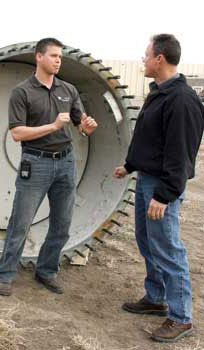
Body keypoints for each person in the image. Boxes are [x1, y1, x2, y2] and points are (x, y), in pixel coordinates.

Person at [114, 34, 204, 343]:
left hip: (161, 185)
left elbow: (181, 153)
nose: (143, 60)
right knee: (148, 241)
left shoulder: (182, 100)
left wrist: (164, 195)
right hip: (147, 178)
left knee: (167, 248)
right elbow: (149, 139)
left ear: (160, 59)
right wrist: (129, 165)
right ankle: (156, 297)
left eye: (146, 54)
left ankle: (181, 318)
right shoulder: (160, 93)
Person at [0, 38, 98, 296]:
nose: (58, 60)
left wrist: (86, 129)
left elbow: (79, 124)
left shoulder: (68, 90)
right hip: (35, 163)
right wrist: (52, 126)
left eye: (60, 56)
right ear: (39, 57)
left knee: (62, 223)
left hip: (65, 163)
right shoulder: (23, 92)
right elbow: (17, 133)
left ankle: (46, 271)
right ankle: (5, 274)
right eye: (53, 56)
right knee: (21, 222)